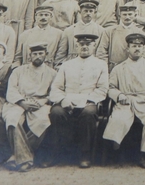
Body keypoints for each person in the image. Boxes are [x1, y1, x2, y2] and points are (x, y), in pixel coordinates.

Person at [103, 33, 145, 169]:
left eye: (140, 46)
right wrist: (119, 96)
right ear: (128, 49)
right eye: (134, 46)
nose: (137, 49)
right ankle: (116, 153)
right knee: (119, 120)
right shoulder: (119, 68)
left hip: (144, 101)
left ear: (144, 49)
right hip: (126, 101)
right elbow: (111, 88)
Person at [47, 34, 109, 168]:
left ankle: (84, 154)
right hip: (67, 101)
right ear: (77, 46)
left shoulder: (101, 65)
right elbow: (57, 87)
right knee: (56, 112)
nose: (84, 47)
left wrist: (89, 100)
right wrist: (63, 100)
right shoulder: (67, 64)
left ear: (94, 46)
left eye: (88, 44)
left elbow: (102, 88)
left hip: (89, 101)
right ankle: (57, 152)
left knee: (88, 113)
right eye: (81, 44)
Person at [3, 43, 57, 172]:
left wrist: (43, 101)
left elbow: (54, 93)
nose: (37, 56)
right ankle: (26, 158)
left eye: (40, 54)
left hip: (39, 103)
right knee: (12, 119)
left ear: (46, 55)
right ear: (30, 56)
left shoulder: (52, 73)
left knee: (42, 122)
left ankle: (16, 157)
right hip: (19, 102)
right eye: (35, 54)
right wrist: (22, 102)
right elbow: (11, 90)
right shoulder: (18, 71)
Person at [97, 4, 145, 72]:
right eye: (124, 14)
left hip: (134, 69)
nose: (127, 17)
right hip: (113, 68)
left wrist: (137, 67)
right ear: (120, 16)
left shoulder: (140, 33)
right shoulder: (109, 31)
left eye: (130, 14)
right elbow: (101, 52)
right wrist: (105, 68)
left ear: (134, 15)